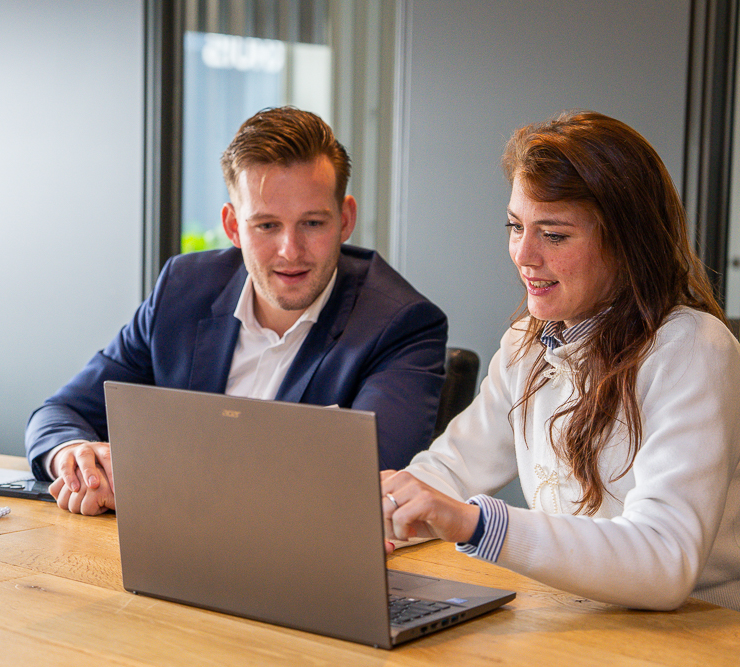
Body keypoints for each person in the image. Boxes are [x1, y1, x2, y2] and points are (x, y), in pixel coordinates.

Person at [380, 110, 740, 623]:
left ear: (628, 241)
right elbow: (452, 470)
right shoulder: (526, 344)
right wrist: (389, 507)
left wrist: (474, 524)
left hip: (718, 637)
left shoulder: (695, 350)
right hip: (592, 625)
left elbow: (664, 561)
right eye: (515, 227)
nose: (523, 256)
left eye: (553, 235)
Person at [27, 106, 447, 515]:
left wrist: (149, 485)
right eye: (266, 225)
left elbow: (356, 485)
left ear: (345, 219)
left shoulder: (402, 325)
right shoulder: (183, 288)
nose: (290, 251)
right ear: (233, 227)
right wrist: (76, 459)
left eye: (313, 223)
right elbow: (62, 412)